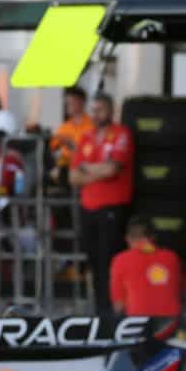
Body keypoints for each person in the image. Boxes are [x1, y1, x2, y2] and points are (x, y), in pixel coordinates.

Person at [69, 92, 134, 318]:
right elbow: (73, 176)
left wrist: (88, 169)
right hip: (88, 209)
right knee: (94, 264)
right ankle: (99, 312)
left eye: (101, 110)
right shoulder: (86, 137)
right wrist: (96, 170)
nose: (97, 115)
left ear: (111, 110)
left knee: (111, 264)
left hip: (112, 209)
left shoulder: (121, 134)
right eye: (94, 110)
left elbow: (112, 169)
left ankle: (113, 315)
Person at [110, 216, 185, 319]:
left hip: (139, 325)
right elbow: (180, 292)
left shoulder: (121, 260)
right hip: (172, 325)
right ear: (153, 237)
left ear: (127, 238)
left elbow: (118, 306)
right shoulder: (172, 257)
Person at [49, 86, 93, 186]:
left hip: (83, 167)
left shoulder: (92, 125)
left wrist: (72, 144)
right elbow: (51, 146)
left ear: (81, 102)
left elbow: (91, 152)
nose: (67, 105)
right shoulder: (65, 126)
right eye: (66, 103)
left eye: (70, 102)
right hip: (63, 166)